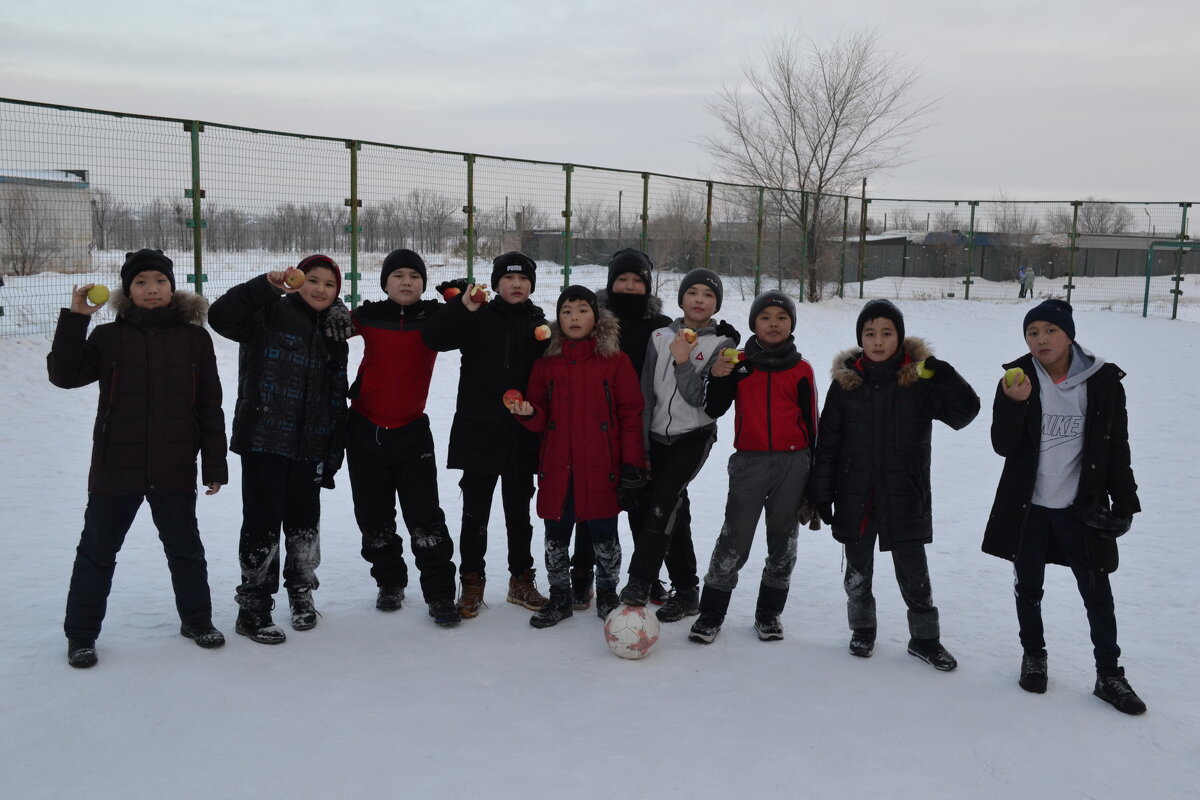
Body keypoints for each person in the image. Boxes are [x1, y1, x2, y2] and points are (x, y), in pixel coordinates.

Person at [48, 249, 228, 668]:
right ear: (128, 291)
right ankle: (81, 635)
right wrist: (76, 319)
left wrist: (214, 464)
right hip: (117, 465)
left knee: (185, 549)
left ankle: (197, 620)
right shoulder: (109, 338)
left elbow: (209, 406)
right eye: (142, 282)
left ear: (172, 287)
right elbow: (64, 375)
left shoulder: (194, 338)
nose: (152, 289)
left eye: (160, 281)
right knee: (97, 551)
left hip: (175, 463)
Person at [983, 299, 1145, 714]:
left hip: (1081, 508)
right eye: (1032, 333)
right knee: (1028, 587)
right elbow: (1004, 445)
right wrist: (1013, 404)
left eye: (1049, 331)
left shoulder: (1103, 381)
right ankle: (1034, 655)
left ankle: (1110, 673)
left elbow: (1116, 447)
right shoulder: (1017, 378)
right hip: (1028, 507)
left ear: (1068, 334)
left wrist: (1125, 503)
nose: (1040, 340)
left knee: (1097, 592)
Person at [808, 299, 979, 670]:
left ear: (899, 338)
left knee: (914, 570)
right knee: (857, 569)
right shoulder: (846, 385)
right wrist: (821, 492)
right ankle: (863, 628)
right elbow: (829, 441)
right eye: (870, 333)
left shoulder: (918, 381)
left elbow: (964, 414)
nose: (878, 340)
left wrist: (947, 377)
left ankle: (925, 639)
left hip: (905, 493)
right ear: (861, 339)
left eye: (887, 333)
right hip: (856, 494)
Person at [209, 254, 350, 645]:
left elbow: (338, 392)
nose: (320, 289)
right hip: (265, 438)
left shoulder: (336, 328)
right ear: (297, 280)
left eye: (330, 284)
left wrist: (333, 448)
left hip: (312, 441)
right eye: (313, 280)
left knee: (305, 522)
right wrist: (263, 288)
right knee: (262, 522)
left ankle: (301, 592)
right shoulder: (267, 312)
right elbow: (221, 317)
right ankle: (253, 607)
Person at [421, 252, 550, 618]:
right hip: (478, 429)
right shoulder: (478, 316)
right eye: (509, 279)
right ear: (495, 284)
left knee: (518, 512)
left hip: (520, 432)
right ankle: (472, 580)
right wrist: (462, 306)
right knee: (475, 512)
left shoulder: (538, 324)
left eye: (524, 279)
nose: (517, 284)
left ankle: (520, 579)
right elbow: (434, 337)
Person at [511, 286, 647, 627]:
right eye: (567, 311)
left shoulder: (616, 361)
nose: (574, 317)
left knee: (604, 532)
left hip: (602, 465)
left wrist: (632, 465)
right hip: (558, 465)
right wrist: (527, 413)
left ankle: (607, 595)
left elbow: (631, 414)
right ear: (558, 318)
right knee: (556, 533)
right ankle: (559, 597)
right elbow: (539, 414)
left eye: (582, 310)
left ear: (597, 318)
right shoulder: (547, 364)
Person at [688, 291, 818, 643]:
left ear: (791, 324)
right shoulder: (740, 363)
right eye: (765, 317)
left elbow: (812, 424)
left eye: (781, 317)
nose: (773, 323)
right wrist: (718, 375)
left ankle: (769, 613)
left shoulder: (802, 369)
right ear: (753, 324)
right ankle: (711, 613)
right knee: (734, 539)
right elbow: (714, 408)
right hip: (750, 462)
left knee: (783, 541)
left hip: (795, 464)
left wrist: (815, 482)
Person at [345, 248, 459, 627]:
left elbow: (469, 325)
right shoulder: (368, 316)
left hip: (412, 430)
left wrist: (460, 301)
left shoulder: (434, 319)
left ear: (423, 283)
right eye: (398, 275)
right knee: (374, 516)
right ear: (385, 283)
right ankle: (390, 583)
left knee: (425, 517)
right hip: (364, 428)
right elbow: (328, 324)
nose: (406, 281)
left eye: (414, 275)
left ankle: (441, 594)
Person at [618, 268, 740, 622]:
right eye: (693, 293)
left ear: (716, 303)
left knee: (664, 500)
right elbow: (646, 392)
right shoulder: (659, 335)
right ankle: (686, 590)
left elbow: (700, 400)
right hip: (655, 436)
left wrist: (684, 359)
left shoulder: (722, 345)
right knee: (673, 510)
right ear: (681, 298)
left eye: (708, 294)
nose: (699, 299)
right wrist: (641, 444)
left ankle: (640, 579)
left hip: (693, 437)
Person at [568, 248, 672, 611]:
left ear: (647, 284)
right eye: (622, 279)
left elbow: (691, 347)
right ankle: (581, 576)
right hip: (594, 428)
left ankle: (645, 576)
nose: (629, 286)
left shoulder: (661, 326)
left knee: (642, 505)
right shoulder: (593, 320)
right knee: (590, 504)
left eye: (637, 280)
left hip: (643, 428)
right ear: (611, 282)